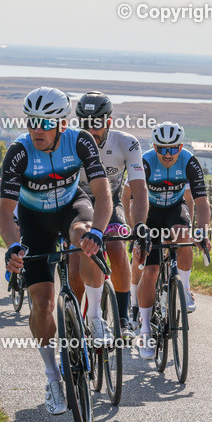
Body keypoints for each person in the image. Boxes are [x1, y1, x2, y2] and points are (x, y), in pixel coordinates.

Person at [0, 87, 112, 416]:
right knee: (43, 303)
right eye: (33, 121)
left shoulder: (80, 141)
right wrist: (13, 246)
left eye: (46, 123)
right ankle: (52, 377)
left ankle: (94, 319)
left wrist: (97, 231)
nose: (38, 129)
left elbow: (102, 196)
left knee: (84, 238)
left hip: (70, 208)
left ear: (62, 124)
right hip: (33, 220)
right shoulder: (19, 152)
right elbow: (5, 213)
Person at [67, 92, 150, 338]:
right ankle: (75, 324)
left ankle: (123, 319)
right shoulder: (70, 142)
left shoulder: (126, 143)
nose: (91, 130)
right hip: (78, 205)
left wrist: (142, 224)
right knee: (75, 265)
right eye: (85, 124)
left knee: (116, 247)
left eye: (97, 124)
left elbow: (139, 189)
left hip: (111, 204)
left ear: (109, 122)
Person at [135, 121, 211, 360]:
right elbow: (131, 197)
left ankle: (185, 288)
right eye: (162, 149)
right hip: (149, 212)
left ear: (180, 146)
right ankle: (145, 329)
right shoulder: (145, 161)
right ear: (154, 147)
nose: (167, 155)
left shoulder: (189, 160)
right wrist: (137, 229)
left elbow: (201, 202)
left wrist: (204, 231)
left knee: (183, 235)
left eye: (173, 149)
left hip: (175, 209)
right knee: (151, 271)